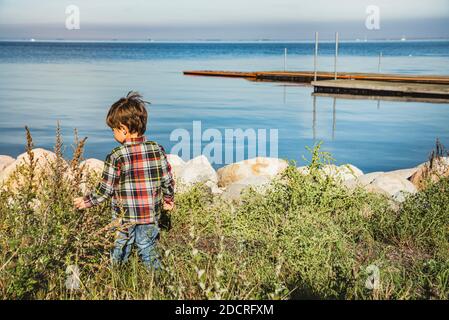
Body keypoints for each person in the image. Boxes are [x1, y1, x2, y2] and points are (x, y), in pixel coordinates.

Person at [74, 91, 175, 270]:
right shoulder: (157, 150)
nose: (113, 133)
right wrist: (168, 200)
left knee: (120, 248)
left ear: (123, 129)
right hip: (150, 215)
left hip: (124, 217)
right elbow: (167, 180)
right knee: (148, 248)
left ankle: (115, 278)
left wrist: (86, 201)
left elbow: (105, 190)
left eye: (113, 129)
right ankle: (158, 282)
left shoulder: (116, 156)